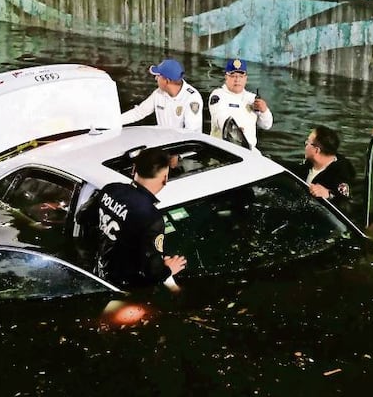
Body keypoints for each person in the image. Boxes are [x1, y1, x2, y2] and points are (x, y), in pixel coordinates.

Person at [83, 147, 187, 290]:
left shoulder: (111, 189)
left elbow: (83, 217)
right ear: (165, 179)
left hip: (98, 273)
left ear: (133, 169)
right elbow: (153, 272)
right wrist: (169, 269)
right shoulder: (151, 217)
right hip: (124, 287)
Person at [120, 58, 203, 131]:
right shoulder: (158, 93)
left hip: (182, 143)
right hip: (164, 140)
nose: (156, 78)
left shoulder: (192, 98)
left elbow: (191, 132)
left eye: (158, 76)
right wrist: (115, 122)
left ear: (167, 80)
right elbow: (139, 112)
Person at [289, 125, 356, 215]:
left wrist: (328, 195)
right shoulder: (308, 164)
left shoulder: (342, 173)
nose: (305, 143)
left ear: (316, 150)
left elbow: (346, 205)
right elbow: (296, 170)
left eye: (308, 142)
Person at [208, 58, 273, 150]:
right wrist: (235, 131)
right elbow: (220, 117)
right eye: (233, 76)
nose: (237, 80)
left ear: (246, 78)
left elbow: (267, 125)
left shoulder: (252, 98)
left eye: (241, 76)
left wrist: (264, 111)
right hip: (222, 149)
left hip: (249, 151)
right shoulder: (218, 95)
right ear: (226, 77)